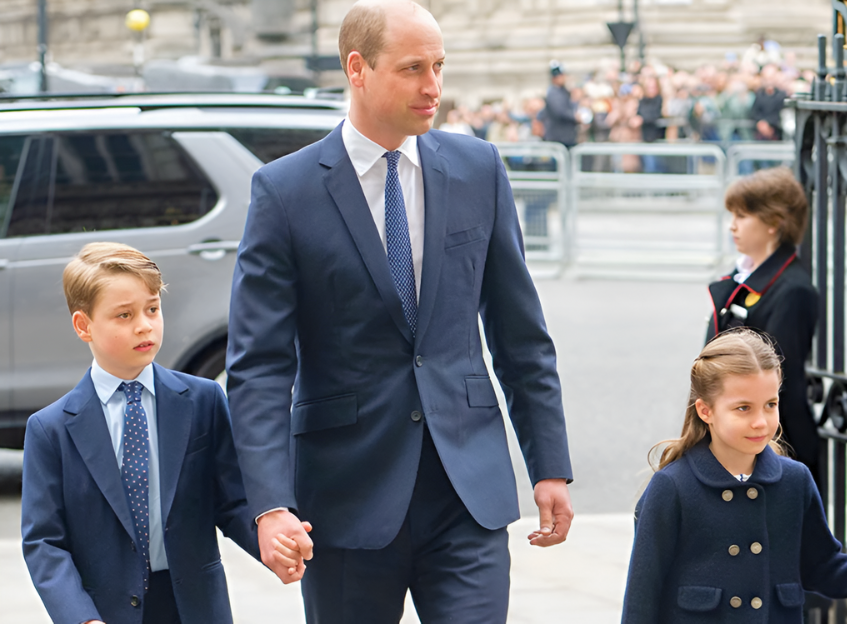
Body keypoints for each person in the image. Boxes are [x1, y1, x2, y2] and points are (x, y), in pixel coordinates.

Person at [225, 1, 575, 621]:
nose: (433, 86)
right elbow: (259, 366)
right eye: (413, 68)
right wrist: (271, 505)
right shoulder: (284, 191)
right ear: (357, 69)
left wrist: (549, 466)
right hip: (344, 501)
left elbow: (520, 335)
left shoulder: (478, 169)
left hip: (467, 492)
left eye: (439, 66)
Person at [22, 242, 263, 624]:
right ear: (84, 325)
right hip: (105, 612)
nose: (144, 325)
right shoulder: (50, 429)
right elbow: (44, 543)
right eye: (124, 315)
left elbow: (232, 502)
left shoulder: (203, 400)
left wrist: (273, 542)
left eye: (152, 308)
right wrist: (81, 618)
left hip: (195, 607)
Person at [621, 329, 847, 622]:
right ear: (705, 411)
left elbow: (821, 565)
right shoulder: (672, 487)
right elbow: (642, 595)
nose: (760, 422)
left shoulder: (794, 481)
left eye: (770, 405)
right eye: (743, 408)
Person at [706, 167, 821, 496]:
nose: (732, 226)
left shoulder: (793, 290)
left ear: (773, 222)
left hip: (768, 449)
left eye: (742, 216)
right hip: (733, 436)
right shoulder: (742, 276)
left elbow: (778, 386)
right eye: (732, 215)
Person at [543, 61, 579, 148]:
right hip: (558, 138)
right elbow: (560, 111)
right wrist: (574, 116)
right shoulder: (553, 92)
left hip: (566, 137)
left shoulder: (563, 91)